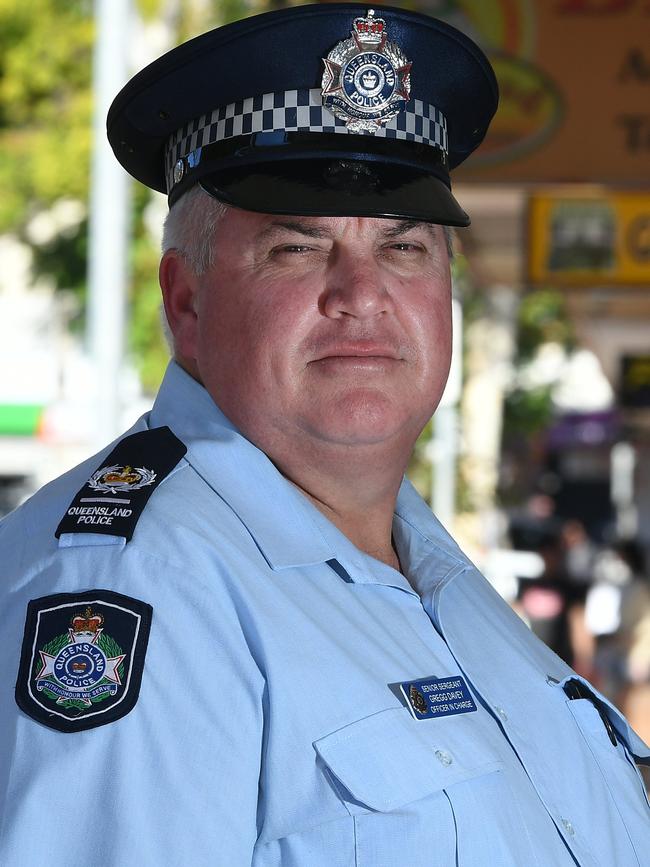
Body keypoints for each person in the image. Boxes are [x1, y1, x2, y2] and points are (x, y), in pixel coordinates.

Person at [0, 5, 648, 865]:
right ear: (186, 304)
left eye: (405, 247)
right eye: (296, 250)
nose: (363, 294)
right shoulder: (132, 585)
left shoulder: (429, 568)